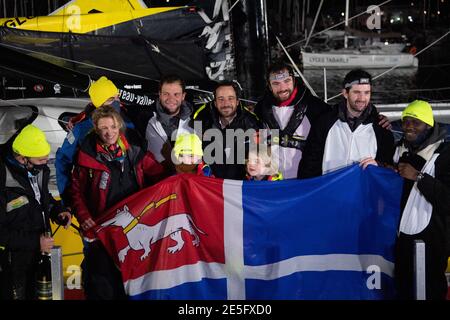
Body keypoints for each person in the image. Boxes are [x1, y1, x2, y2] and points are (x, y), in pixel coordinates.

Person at [70, 106, 165, 299]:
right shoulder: (86, 154)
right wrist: (84, 217)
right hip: (102, 228)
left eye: (113, 127)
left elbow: (159, 175)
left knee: (132, 280)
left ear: (119, 126)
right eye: (104, 128)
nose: (109, 132)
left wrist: (182, 178)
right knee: (102, 282)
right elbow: (76, 191)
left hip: (132, 226)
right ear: (96, 129)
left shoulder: (135, 150)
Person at [255, 61, 392, 179]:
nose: (283, 88)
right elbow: (255, 141)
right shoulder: (259, 109)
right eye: (276, 83)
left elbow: (389, 165)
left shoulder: (316, 108)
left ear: (294, 80)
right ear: (269, 85)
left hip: (301, 182)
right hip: (271, 181)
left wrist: (375, 117)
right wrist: (258, 172)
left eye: (287, 81)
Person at [0, 125, 71, 300]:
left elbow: (41, 198)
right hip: (11, 264)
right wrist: (35, 242)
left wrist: (56, 210)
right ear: (23, 158)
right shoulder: (3, 180)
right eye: (40, 160)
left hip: (37, 256)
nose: (45, 163)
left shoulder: (38, 170)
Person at [393, 100, 450, 300]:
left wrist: (418, 177)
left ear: (428, 125)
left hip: (432, 240)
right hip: (401, 239)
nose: (409, 126)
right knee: (403, 288)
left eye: (416, 122)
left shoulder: (444, 155)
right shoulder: (400, 149)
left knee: (432, 290)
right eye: (406, 121)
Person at [298, 69, 395, 178]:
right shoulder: (325, 122)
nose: (362, 98)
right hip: (330, 192)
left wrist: (379, 165)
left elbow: (389, 168)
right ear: (345, 93)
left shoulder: (381, 127)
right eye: (357, 92)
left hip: (364, 193)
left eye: (367, 92)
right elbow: (309, 163)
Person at [55, 76, 134, 207]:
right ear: (99, 104)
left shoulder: (128, 121)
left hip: (129, 197)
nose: (116, 102)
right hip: (96, 202)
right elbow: (62, 161)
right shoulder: (81, 129)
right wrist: (68, 200)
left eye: (117, 97)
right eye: (110, 99)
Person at [193, 80, 262, 179]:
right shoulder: (202, 120)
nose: (226, 103)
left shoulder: (252, 122)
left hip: (243, 185)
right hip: (210, 186)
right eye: (221, 99)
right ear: (215, 102)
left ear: (237, 101)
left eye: (230, 98)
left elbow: (264, 159)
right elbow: (193, 156)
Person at [145, 74, 194, 173]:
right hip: (155, 183)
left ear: (183, 96)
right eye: (166, 94)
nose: (171, 99)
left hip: (186, 182)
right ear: (159, 94)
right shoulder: (144, 117)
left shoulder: (196, 119)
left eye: (176, 94)